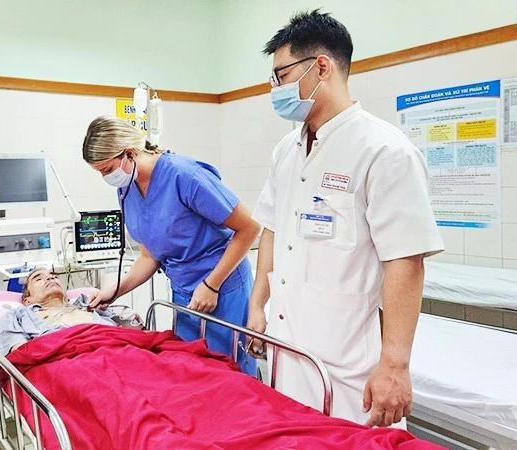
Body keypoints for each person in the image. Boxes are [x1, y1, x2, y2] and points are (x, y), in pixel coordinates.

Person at [247, 10, 444, 427]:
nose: (275, 89)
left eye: (281, 75)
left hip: (349, 370)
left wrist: (395, 365)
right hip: (288, 353)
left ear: (321, 66)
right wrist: (256, 305)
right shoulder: (286, 150)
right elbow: (271, 230)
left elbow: (405, 261)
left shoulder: (384, 151)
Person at [83, 117, 262, 374]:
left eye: (106, 170)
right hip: (184, 293)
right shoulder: (127, 187)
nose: (105, 177)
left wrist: (212, 284)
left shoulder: (185, 176)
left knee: (232, 374)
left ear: (129, 154)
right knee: (193, 373)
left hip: (224, 288)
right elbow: (149, 255)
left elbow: (249, 228)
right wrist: (114, 291)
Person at [0, 268, 142, 355]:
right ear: (27, 300)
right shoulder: (19, 315)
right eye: (38, 279)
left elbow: (133, 324)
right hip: (68, 360)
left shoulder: (87, 303)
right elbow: (20, 353)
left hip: (116, 349)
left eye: (53, 276)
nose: (50, 278)